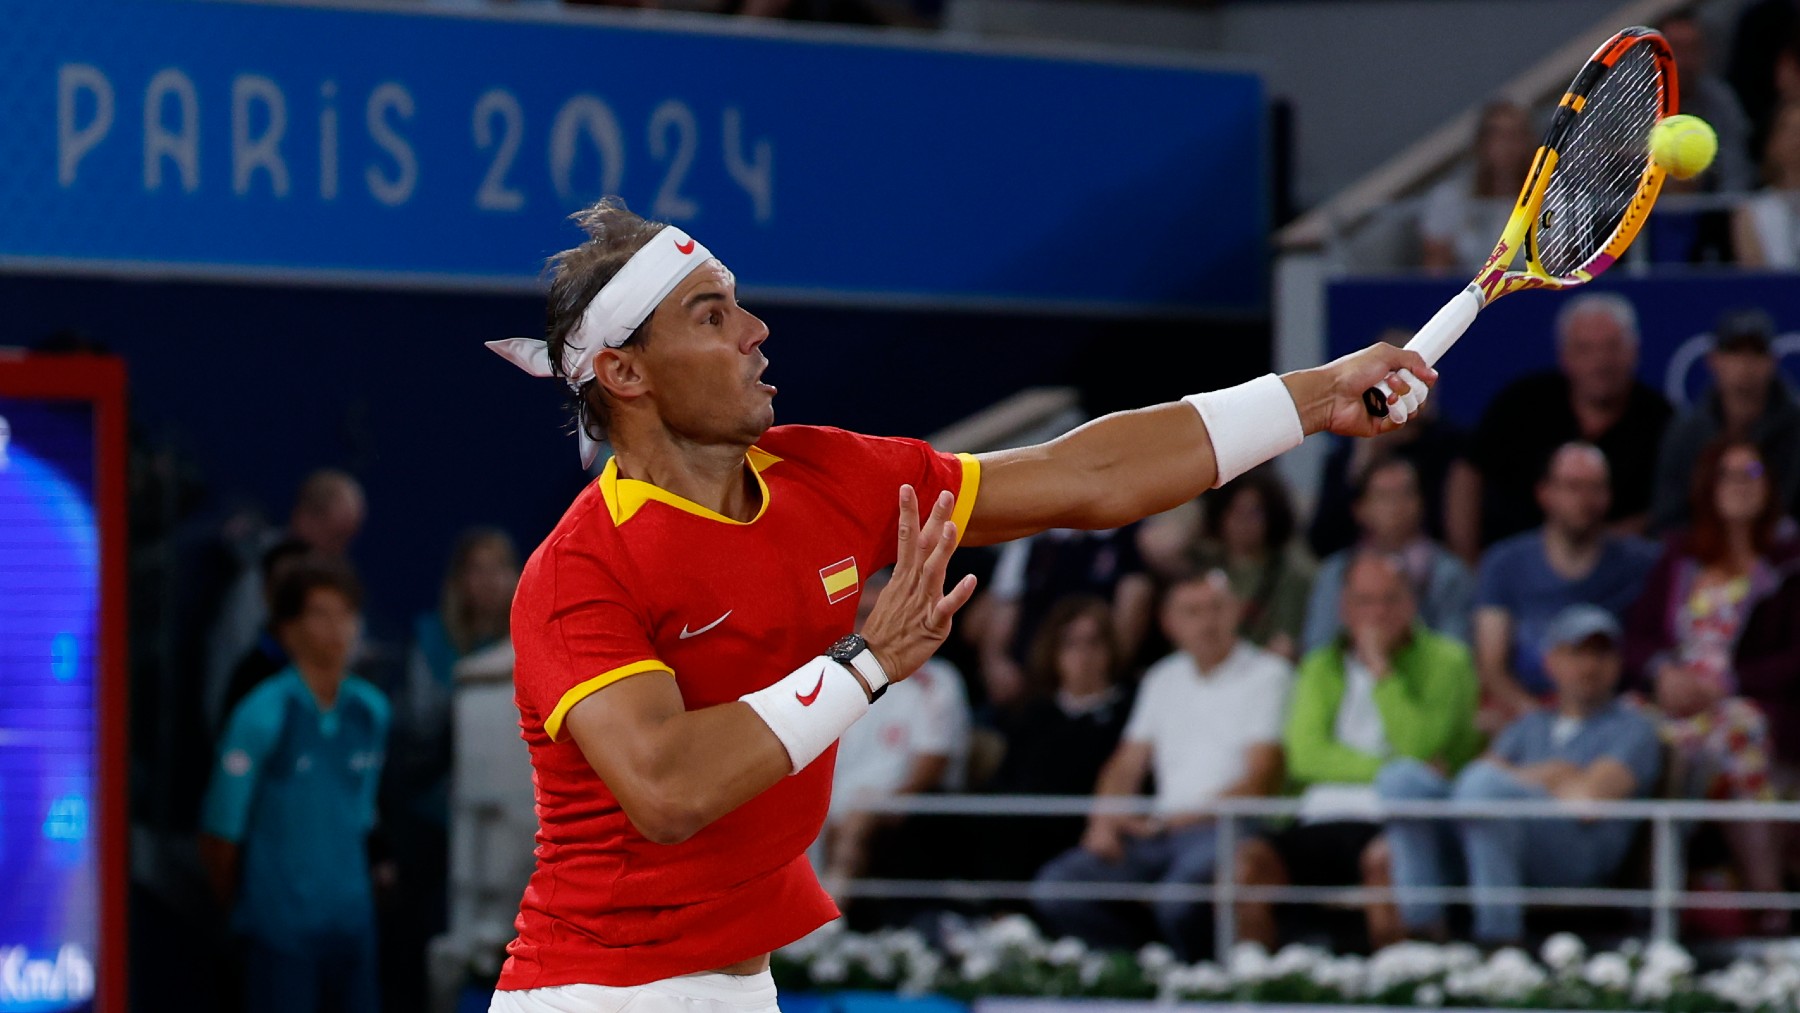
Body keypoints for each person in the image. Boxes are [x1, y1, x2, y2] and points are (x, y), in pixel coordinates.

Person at [479, 197, 1436, 1012]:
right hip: (593, 994)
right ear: (627, 373)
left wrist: (1311, 399)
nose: (755, 331)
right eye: (711, 315)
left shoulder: (826, 474)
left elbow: (1085, 473)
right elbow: (669, 792)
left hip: (741, 986)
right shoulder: (579, 572)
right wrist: (864, 665)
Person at [1031, 571, 1291, 959]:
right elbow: (1126, 764)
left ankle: (1196, 984)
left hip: (1229, 828)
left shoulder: (1269, 674)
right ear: (1169, 624)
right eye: (1192, 612)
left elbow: (1258, 780)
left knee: (1178, 900)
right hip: (1159, 833)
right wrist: (1104, 818)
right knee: (1057, 888)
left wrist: (1164, 821)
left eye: (1216, 608)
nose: (1207, 622)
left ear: (1236, 612)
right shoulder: (1162, 678)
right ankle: (1137, 968)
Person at [1234, 552, 1480, 952]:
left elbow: (1422, 747)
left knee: (1387, 860)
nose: (1378, 612)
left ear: (1412, 604)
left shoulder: (1448, 661)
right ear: (1344, 608)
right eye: (1365, 601)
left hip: (1396, 817)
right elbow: (1305, 756)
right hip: (1317, 815)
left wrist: (1382, 671)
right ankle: (1254, 988)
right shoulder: (1319, 666)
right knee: (1248, 863)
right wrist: (1393, 766)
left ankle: (1393, 987)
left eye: (1391, 599)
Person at [1377, 604, 1662, 946]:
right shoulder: (1530, 725)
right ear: (1551, 662)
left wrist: (1512, 780)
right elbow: (1478, 776)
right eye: (1576, 653)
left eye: (1601, 654)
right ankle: (1422, 934)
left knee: (1486, 789)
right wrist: (1553, 774)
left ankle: (1498, 941)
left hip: (1574, 857)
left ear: (1617, 664)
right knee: (1401, 778)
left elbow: (1588, 800)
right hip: (1498, 838)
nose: (1588, 666)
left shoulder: (1633, 727)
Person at [200, 560, 390, 1013]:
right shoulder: (261, 713)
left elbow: (361, 813)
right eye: (320, 614)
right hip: (280, 933)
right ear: (288, 629)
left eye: (346, 613)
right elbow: (219, 835)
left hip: (352, 926)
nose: (337, 628)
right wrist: (255, 911)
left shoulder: (372, 712)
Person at [1625, 441, 1788, 921]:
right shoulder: (1680, 557)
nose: (1740, 485)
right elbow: (1637, 637)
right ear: (1707, 486)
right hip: (1676, 702)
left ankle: (1768, 900)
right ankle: (1647, 901)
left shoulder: (1788, 562)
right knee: (1629, 727)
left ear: (1770, 486)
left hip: (1748, 701)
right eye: (1727, 474)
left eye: (1751, 473)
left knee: (1738, 731)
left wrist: (1730, 682)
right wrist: (1663, 673)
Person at [387, 528, 523, 1011]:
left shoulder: (528, 645)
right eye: (476, 569)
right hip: (433, 826)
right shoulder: (429, 642)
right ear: (459, 580)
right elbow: (414, 743)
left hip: (511, 828)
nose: (488, 581)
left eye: (498, 568)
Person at [1474, 443, 1659, 730]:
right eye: (1573, 487)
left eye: (1595, 488)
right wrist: (1537, 720)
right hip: (1528, 710)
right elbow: (1491, 666)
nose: (1585, 500)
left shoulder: (1642, 562)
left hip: (1612, 713)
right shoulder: (1503, 563)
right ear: (1545, 493)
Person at [1466, 293, 1672, 547]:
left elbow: (1670, 507)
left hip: (1625, 573)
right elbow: (1468, 470)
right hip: (1512, 565)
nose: (1600, 362)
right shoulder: (1520, 405)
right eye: (1585, 349)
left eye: (1612, 347)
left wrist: (1596, 552)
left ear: (1634, 352)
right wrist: (1467, 555)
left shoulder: (1663, 421)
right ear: (1565, 356)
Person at [819, 570, 972, 911]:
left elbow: (931, 765)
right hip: (832, 803)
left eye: (878, 615)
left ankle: (826, 926)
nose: (870, 627)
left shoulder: (937, 680)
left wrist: (882, 805)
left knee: (856, 818)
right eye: (862, 616)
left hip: (903, 809)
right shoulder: (832, 678)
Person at [983, 595, 1133, 884]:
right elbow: (1007, 781)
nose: (1084, 656)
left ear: (1110, 648)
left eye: (1094, 643)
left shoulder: (1130, 712)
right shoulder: (1033, 714)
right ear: (1054, 652)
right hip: (1027, 830)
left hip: (1089, 829)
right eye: (1071, 644)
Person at [205, 469, 368, 734]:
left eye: (348, 538)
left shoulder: (337, 580)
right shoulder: (261, 578)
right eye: (335, 535)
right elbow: (232, 662)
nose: (340, 549)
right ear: (304, 518)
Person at [1300, 458, 1474, 654]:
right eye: (1384, 496)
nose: (1396, 506)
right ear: (1360, 510)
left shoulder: (1450, 572)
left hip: (1426, 680)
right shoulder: (1335, 571)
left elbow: (1458, 650)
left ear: (1421, 503)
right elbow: (1316, 648)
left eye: (1406, 494)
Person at [1651, 308, 1800, 530]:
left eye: (1756, 353)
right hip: (1702, 555)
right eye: (1735, 352)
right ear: (1714, 360)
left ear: (1773, 361)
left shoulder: (1796, 429)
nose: (1745, 365)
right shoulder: (1688, 432)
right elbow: (1668, 516)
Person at [980, 524, 1152, 712]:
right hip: (1033, 676)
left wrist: (1109, 666)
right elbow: (1006, 603)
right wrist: (996, 661)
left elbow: (1136, 594)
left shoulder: (1123, 535)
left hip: (1101, 668)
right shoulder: (1030, 539)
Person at [1190, 466, 1316, 660]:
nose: (1243, 522)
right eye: (1235, 512)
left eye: (1254, 513)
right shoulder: (1201, 568)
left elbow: (1285, 641)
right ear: (1220, 516)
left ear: (1271, 517)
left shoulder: (1291, 575)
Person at [1418, 102, 1538, 273]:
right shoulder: (1449, 198)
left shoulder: (1552, 199)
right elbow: (1435, 267)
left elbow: (1558, 265)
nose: (1506, 145)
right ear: (1481, 143)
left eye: (1515, 136)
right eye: (1498, 135)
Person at [1735, 102, 1800, 266]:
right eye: (1790, 131)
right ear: (1773, 143)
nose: (1797, 140)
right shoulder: (1751, 212)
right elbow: (1757, 280)